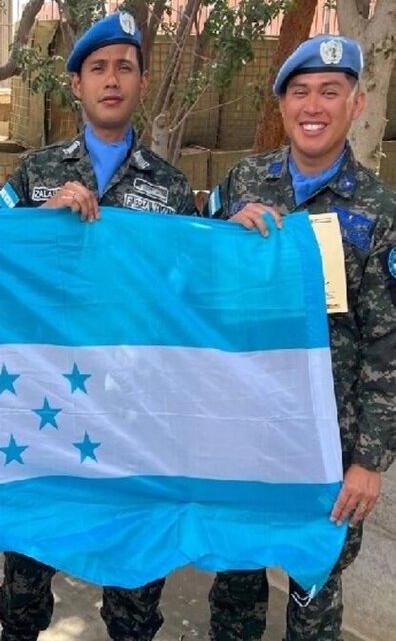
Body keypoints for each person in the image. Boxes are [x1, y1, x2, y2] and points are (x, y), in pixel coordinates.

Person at [0, 12, 199, 641]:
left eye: (125, 68)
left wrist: (243, 241)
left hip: (133, 413)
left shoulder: (172, 189)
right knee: (25, 588)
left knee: (134, 595)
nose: (112, 80)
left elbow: (189, 295)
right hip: (45, 406)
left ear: (141, 82)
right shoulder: (35, 175)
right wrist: (39, 224)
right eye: (99, 68)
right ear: (76, 84)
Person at [205, 35, 395, 641]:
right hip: (245, 432)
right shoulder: (242, 183)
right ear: (283, 105)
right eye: (301, 92)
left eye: (330, 92)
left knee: (314, 596)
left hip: (329, 450)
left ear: (356, 104)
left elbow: (387, 347)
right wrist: (223, 239)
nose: (314, 107)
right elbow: (196, 289)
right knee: (234, 591)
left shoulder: (380, 211)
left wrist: (369, 461)